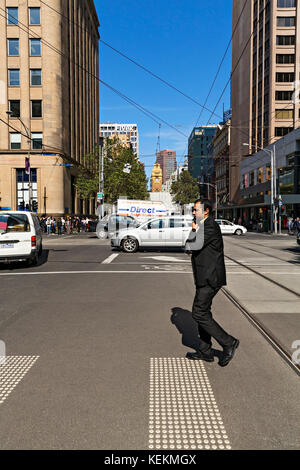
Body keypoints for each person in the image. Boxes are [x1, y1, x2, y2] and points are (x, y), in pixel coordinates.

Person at [185, 199, 239, 367]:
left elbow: (191, 246)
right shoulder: (202, 225)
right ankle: (205, 351)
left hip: (210, 277)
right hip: (204, 276)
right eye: (193, 210)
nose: (193, 213)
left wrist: (193, 232)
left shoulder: (209, 226)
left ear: (206, 211)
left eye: (196, 210)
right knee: (203, 312)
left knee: (199, 313)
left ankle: (228, 342)